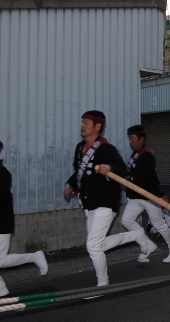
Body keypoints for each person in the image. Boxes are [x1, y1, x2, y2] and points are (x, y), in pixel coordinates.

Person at [64, 111, 155, 287]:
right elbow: (79, 172)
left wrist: (109, 167)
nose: (82, 125)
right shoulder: (80, 148)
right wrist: (71, 186)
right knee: (99, 244)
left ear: (98, 126)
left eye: (86, 123)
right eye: (83, 122)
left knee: (93, 246)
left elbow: (122, 170)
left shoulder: (106, 149)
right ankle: (135, 235)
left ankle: (103, 284)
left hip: (106, 201)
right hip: (89, 202)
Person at [0, 136, 48, 301]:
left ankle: (35, 256)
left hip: (0, 223)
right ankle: (0, 288)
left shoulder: (0, 172)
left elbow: (2, 196)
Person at [120, 125, 170, 263]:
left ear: (142, 139)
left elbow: (147, 174)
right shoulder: (135, 155)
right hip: (135, 197)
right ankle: (148, 245)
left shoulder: (147, 155)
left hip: (149, 196)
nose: (130, 142)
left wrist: (129, 174)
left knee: (159, 224)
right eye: (129, 139)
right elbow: (130, 171)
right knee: (126, 220)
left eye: (133, 138)